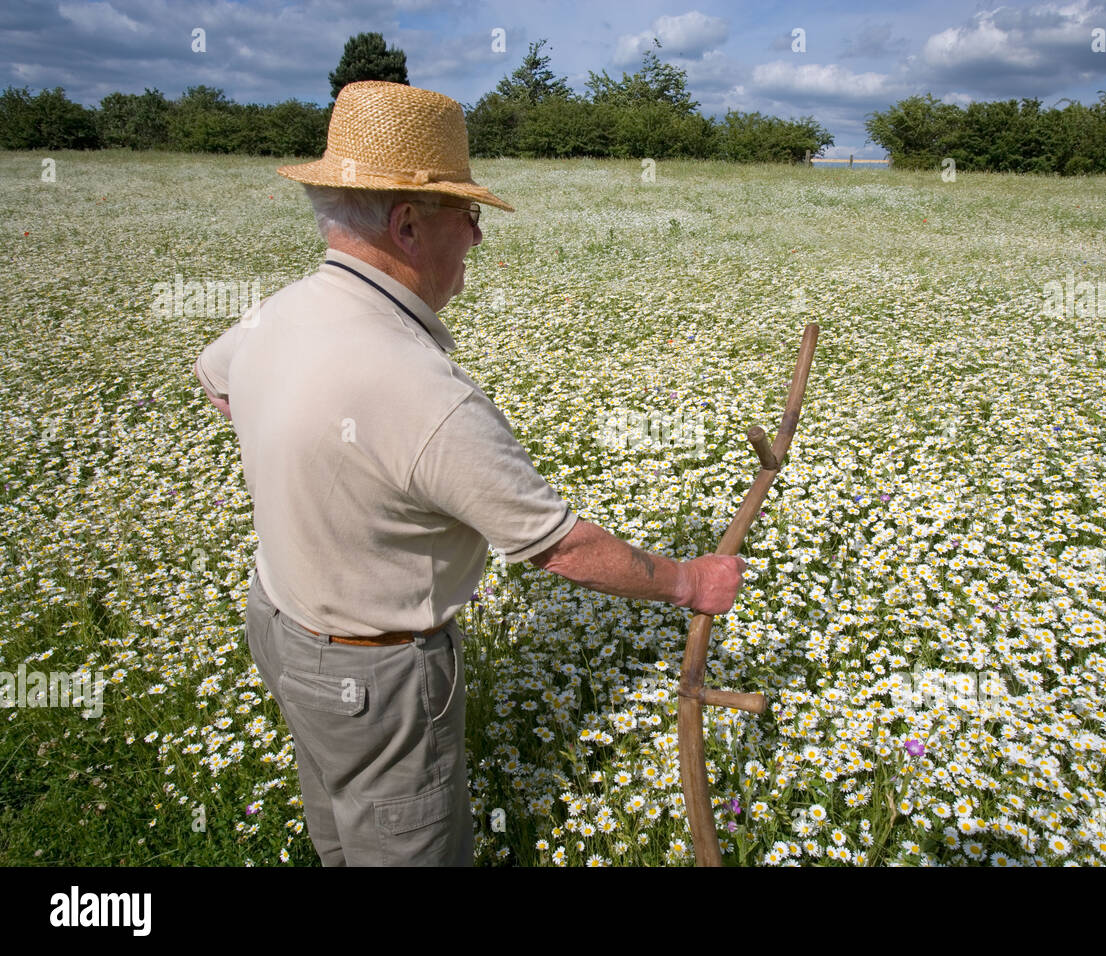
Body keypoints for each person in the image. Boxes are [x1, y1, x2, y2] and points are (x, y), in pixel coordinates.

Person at [192, 81, 745, 866]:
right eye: (468, 216)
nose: (478, 239)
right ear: (408, 223)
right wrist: (689, 583)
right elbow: (561, 548)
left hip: (278, 625)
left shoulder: (276, 310)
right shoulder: (420, 392)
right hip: (372, 678)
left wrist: (316, 470)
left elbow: (216, 381)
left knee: (340, 834)